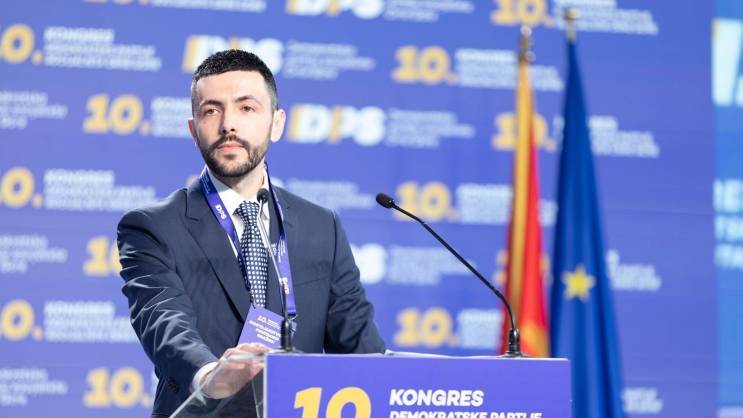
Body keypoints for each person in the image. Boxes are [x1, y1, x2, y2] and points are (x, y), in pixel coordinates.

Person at [117, 49, 386, 418]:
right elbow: (163, 322)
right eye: (212, 111)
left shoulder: (322, 227)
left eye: (246, 108)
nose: (229, 124)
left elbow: (362, 351)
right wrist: (210, 375)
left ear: (276, 123)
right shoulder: (152, 227)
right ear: (194, 130)